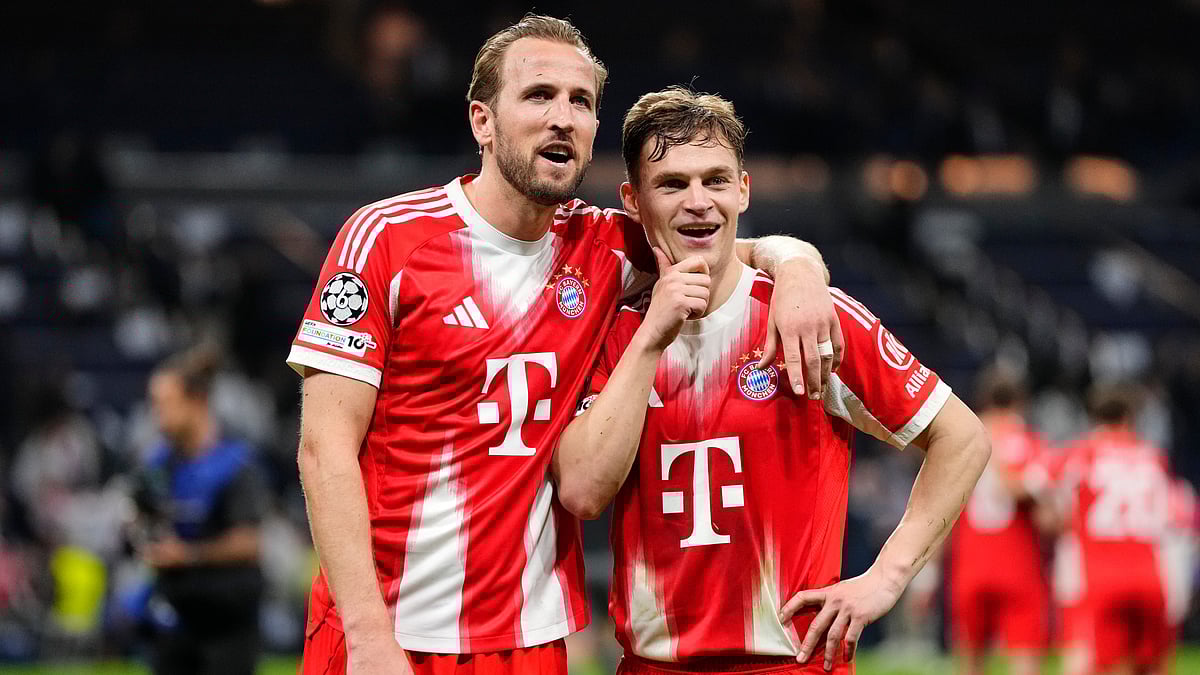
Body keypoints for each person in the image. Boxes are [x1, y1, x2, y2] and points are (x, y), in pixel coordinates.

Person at [287, 14, 842, 675]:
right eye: (539, 95)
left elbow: (724, 250)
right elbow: (324, 449)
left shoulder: (603, 247)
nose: (563, 117)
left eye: (581, 102)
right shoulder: (385, 239)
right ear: (482, 122)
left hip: (530, 640)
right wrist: (368, 634)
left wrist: (799, 264)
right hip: (389, 629)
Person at [552, 86, 990, 674]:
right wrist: (651, 336)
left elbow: (962, 438)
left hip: (792, 664)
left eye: (715, 179)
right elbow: (581, 491)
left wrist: (886, 579)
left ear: (744, 188)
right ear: (633, 200)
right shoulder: (612, 333)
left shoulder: (809, 316)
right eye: (673, 184)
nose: (698, 202)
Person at [133, 348, 267, 675]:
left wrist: (188, 555)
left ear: (197, 402)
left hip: (226, 615)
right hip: (177, 610)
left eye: (165, 404)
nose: (157, 414)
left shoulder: (234, 464)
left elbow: (249, 542)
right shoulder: (157, 465)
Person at [1040, 384, 1177, 675]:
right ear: (1130, 417)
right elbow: (1169, 517)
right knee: (1152, 665)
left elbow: (1046, 498)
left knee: (1092, 661)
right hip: (1149, 573)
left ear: (1092, 418)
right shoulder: (1153, 457)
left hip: (1100, 576)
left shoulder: (1079, 453)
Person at [946, 367, 1050, 675]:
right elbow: (1045, 517)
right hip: (1018, 562)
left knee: (971, 661)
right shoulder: (1028, 440)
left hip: (970, 561)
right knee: (1025, 659)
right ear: (1020, 401)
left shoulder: (960, 438)